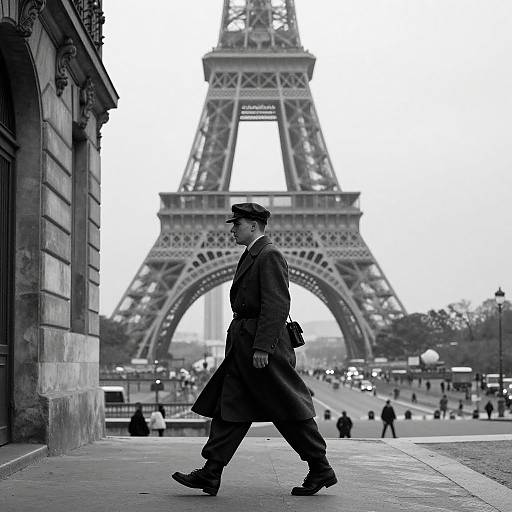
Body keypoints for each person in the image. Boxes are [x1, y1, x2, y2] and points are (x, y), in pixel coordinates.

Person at [172, 203, 337, 497]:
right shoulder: (251, 255)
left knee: (287, 406)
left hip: (261, 347)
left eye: (237, 224)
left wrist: (262, 347)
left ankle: (320, 467)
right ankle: (211, 472)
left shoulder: (269, 255)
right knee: (230, 405)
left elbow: (276, 304)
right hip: (244, 343)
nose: (232, 230)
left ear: (253, 225)